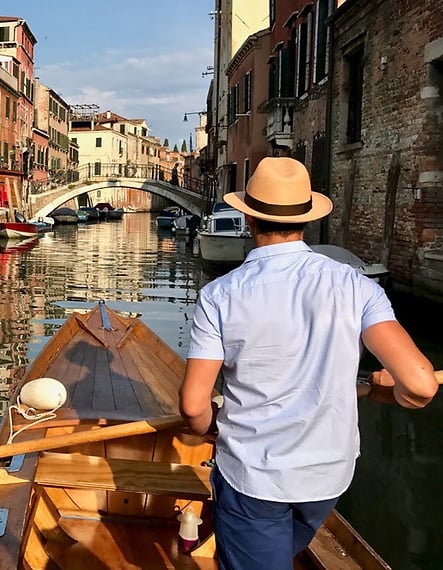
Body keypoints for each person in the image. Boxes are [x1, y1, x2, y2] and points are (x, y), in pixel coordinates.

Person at [179, 157, 438, 569]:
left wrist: (209, 426)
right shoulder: (357, 285)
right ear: (307, 218)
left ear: (248, 218)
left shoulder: (220, 296)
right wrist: (391, 392)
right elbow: (421, 384)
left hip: (254, 477)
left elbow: (193, 407)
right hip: (328, 476)